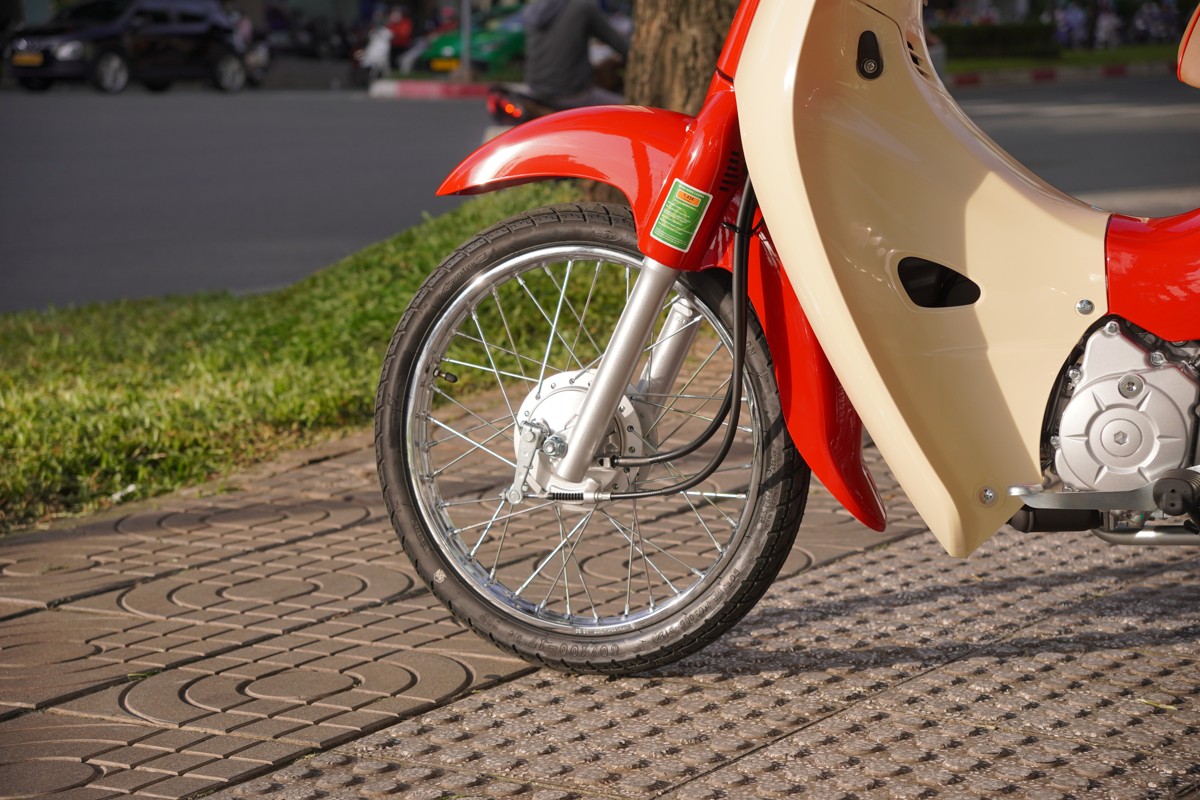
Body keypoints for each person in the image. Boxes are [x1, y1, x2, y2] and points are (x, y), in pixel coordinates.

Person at [524, 0, 630, 108]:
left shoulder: (534, 8)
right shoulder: (582, 5)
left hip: (536, 90)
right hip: (571, 94)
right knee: (630, 110)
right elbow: (620, 44)